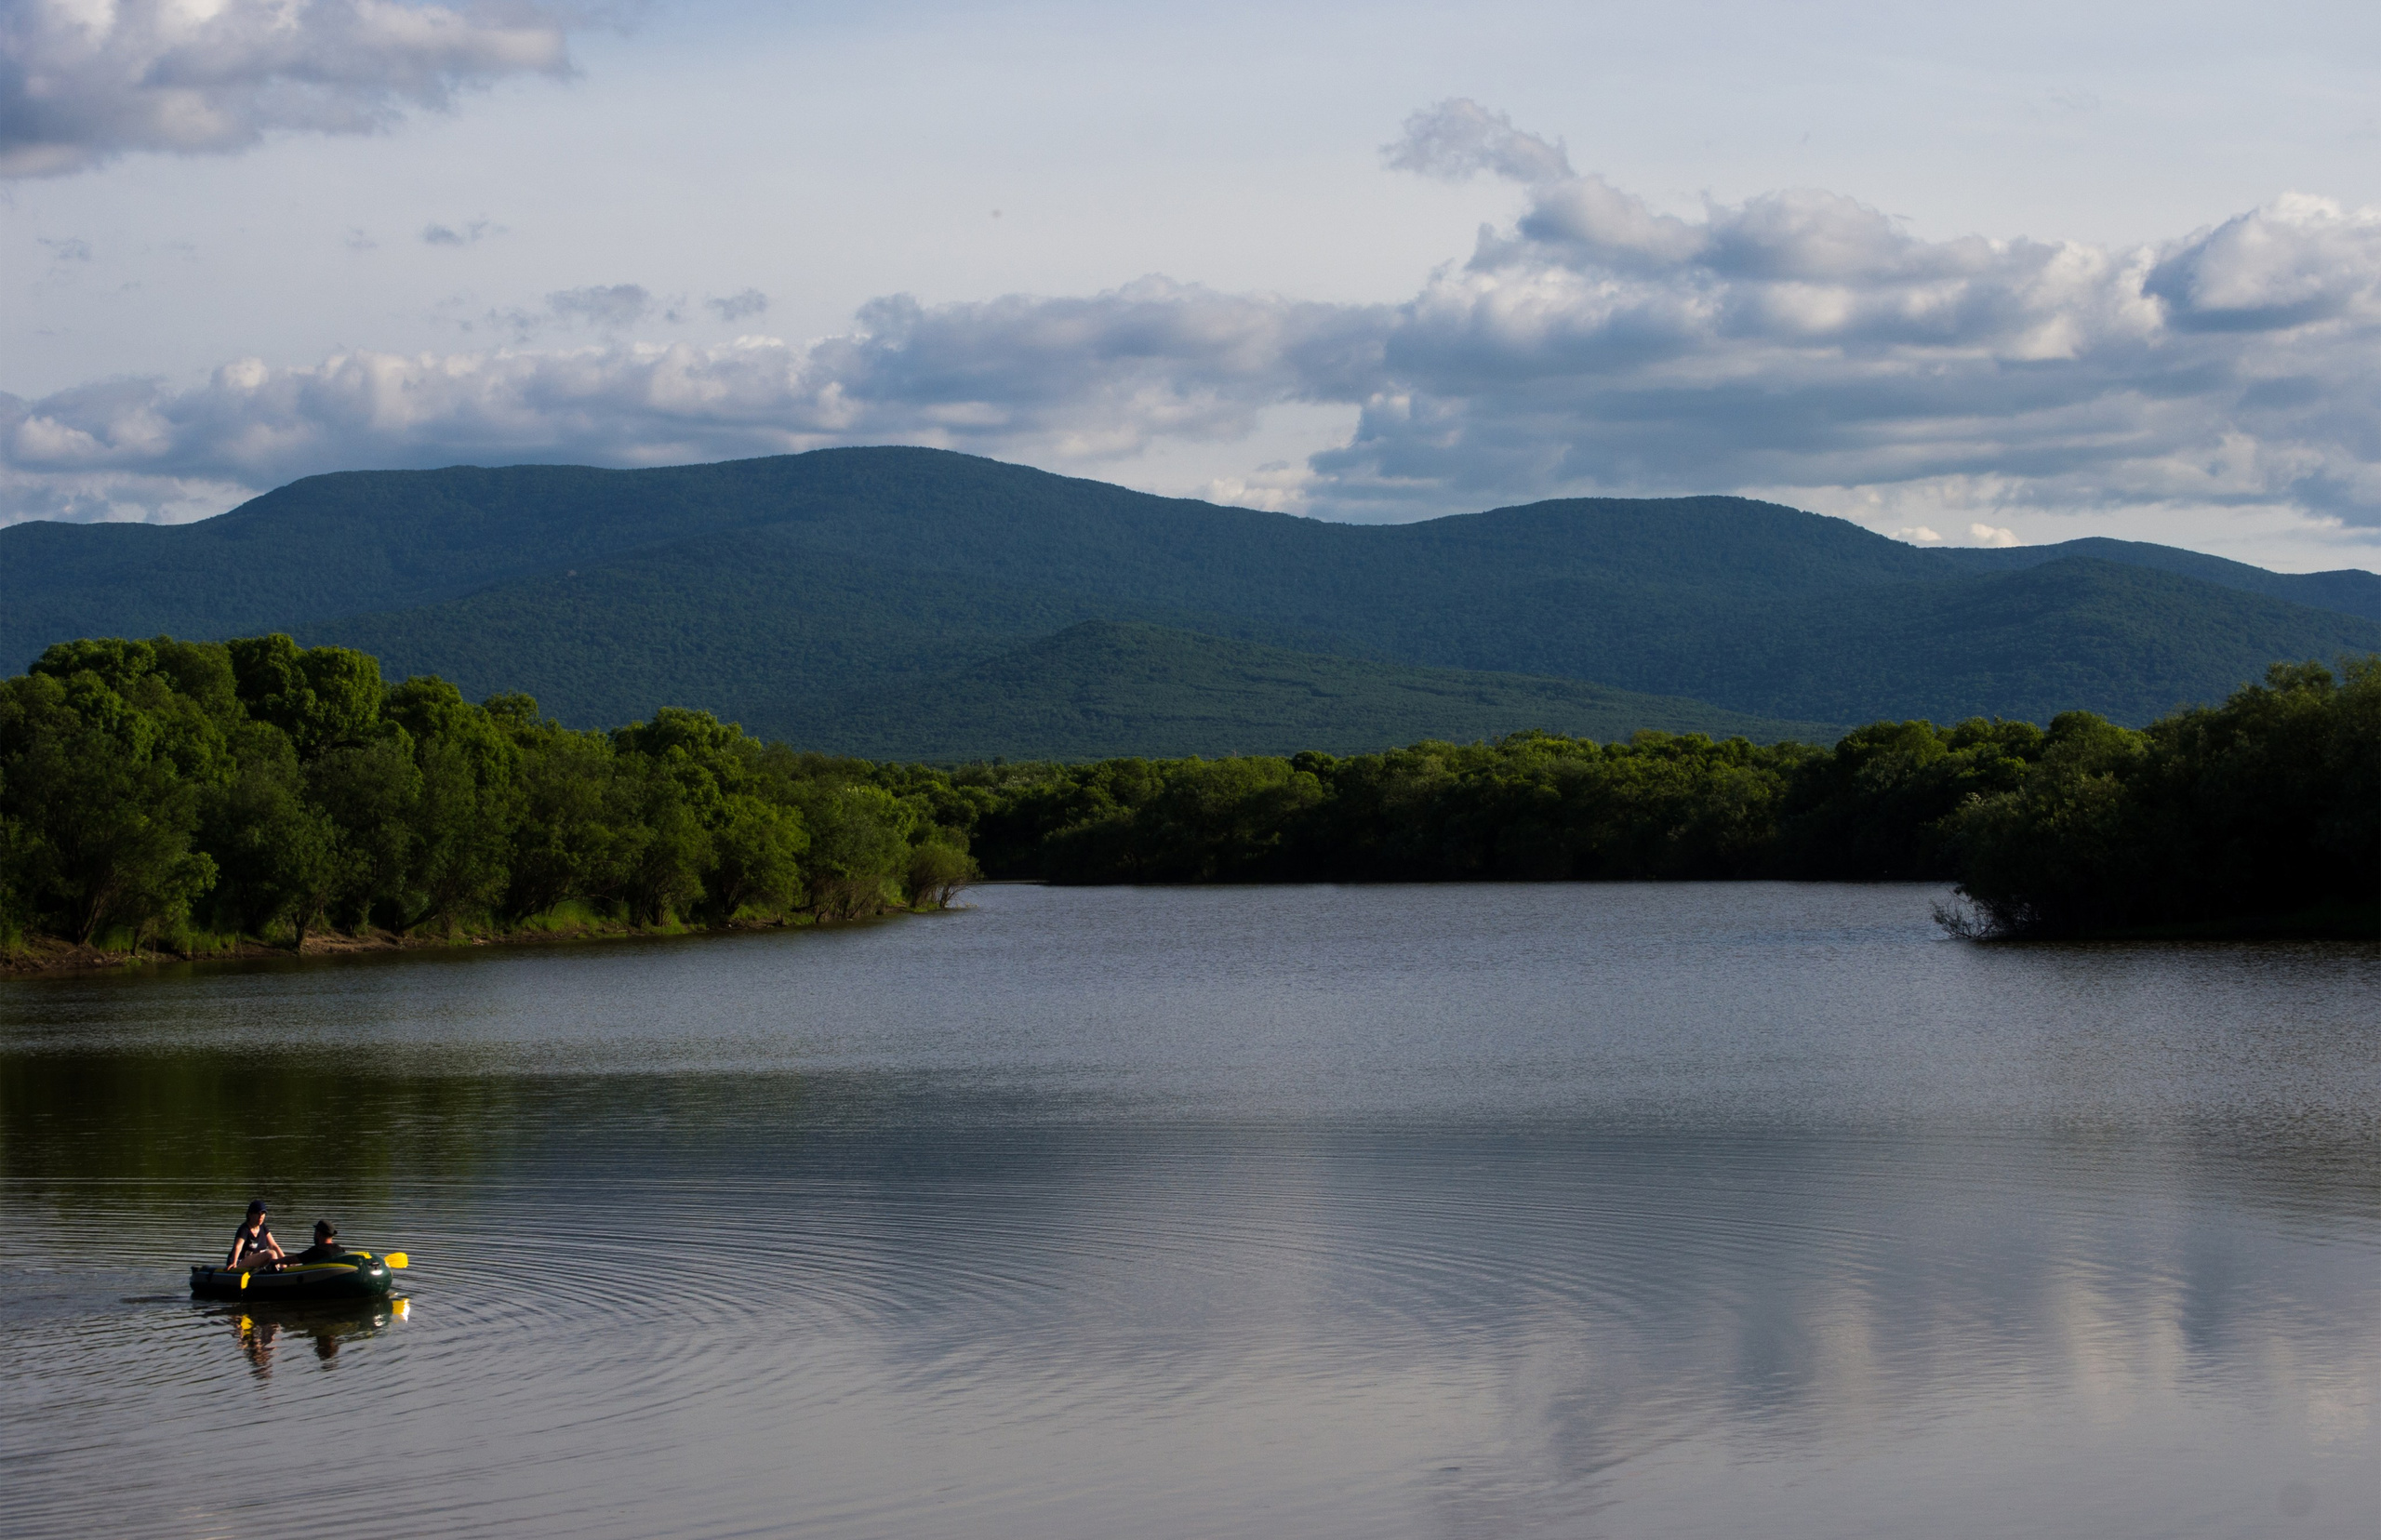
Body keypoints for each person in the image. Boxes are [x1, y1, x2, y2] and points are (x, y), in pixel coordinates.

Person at [227, 1200, 285, 1272]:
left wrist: (285, 1261)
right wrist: (234, 1262)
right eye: (257, 1214)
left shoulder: (263, 1227)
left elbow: (274, 1246)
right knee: (271, 1254)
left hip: (255, 1262)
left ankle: (279, 1270)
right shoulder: (244, 1229)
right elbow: (238, 1246)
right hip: (239, 1261)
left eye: (263, 1213)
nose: (260, 1217)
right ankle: (277, 1274)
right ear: (250, 1214)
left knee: (289, 1261)